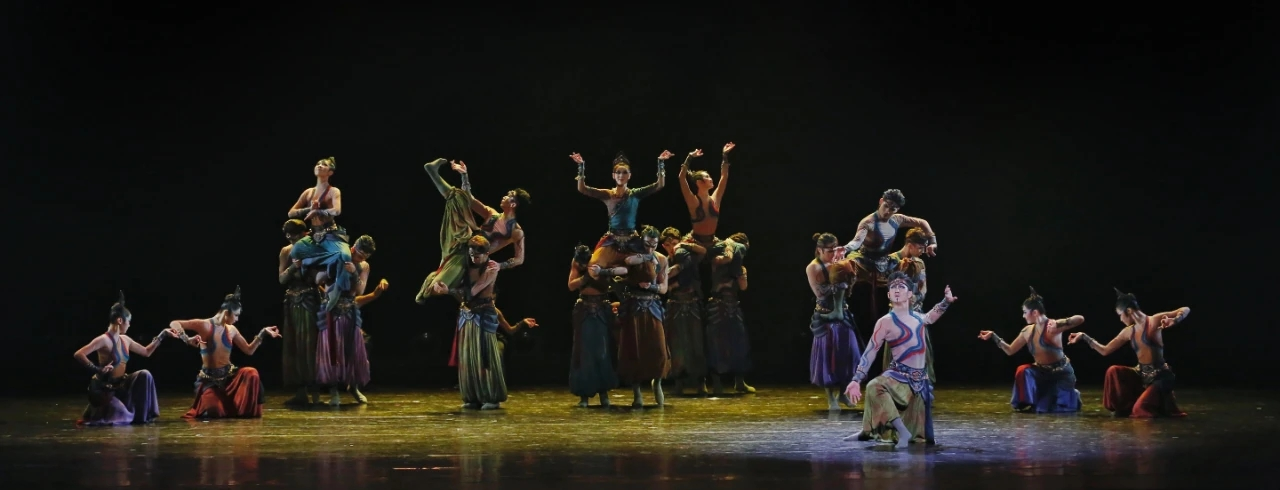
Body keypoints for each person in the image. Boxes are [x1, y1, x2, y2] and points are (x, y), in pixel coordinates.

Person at [844, 273, 957, 449]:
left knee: (919, 439)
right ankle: (895, 431)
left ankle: (869, 431)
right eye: (893, 287)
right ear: (888, 295)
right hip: (898, 376)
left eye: (901, 287)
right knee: (875, 386)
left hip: (919, 381)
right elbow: (871, 351)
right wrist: (856, 379)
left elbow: (932, 315)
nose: (897, 290)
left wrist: (946, 301)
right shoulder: (885, 322)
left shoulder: (919, 318)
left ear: (910, 294)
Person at [416, 159, 529, 304]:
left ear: (513, 204)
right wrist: (464, 175)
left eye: (509, 196)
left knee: (435, 287)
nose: (504, 196)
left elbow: (520, 259)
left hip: (470, 258)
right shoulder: (492, 213)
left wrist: (500, 265)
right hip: (463, 241)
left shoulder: (516, 231)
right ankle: (432, 171)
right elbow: (469, 199)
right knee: (457, 196)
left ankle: (434, 285)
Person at [1068, 288, 1190, 418]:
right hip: (1142, 375)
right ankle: (1128, 405)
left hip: (1160, 377)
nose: (1121, 319)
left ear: (1129, 311)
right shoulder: (1129, 331)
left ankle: (1153, 403)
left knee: (1140, 410)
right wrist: (1084, 337)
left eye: (1120, 315)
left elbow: (1185, 309)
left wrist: (1175, 320)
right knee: (1113, 371)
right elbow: (1105, 350)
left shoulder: (1153, 321)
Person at [169, 286, 281, 419]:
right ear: (227, 313)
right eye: (236, 315)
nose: (237, 319)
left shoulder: (232, 330)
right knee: (215, 412)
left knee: (251, 373)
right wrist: (186, 339)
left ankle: (241, 411)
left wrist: (263, 333)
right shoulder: (205, 325)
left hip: (229, 378)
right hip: (210, 380)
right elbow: (174, 323)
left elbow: (249, 350)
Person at [429, 236, 511, 409]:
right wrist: (443, 287)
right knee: (468, 357)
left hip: (483, 314)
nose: (475, 259)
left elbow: (473, 291)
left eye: (478, 256)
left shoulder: (491, 268)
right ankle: (472, 397)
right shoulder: (466, 266)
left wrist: (450, 291)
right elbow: (459, 290)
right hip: (466, 315)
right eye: (472, 255)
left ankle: (491, 397)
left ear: (486, 254)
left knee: (484, 356)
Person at [977, 287, 1085, 413]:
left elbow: (1080, 318)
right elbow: (1010, 350)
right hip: (1043, 374)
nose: (1023, 316)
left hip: (1060, 375)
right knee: (1023, 370)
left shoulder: (1052, 326)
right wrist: (993, 336)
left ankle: (1072, 395)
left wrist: (1061, 323)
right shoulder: (1027, 331)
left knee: (1044, 409)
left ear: (1034, 313)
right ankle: (1027, 400)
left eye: (1025, 312)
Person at [73, 291, 172, 426]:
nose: (129, 325)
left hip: (121, 385)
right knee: (122, 418)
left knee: (145, 374)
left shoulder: (125, 339)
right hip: (105, 389)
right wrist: (98, 369)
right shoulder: (103, 340)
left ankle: (142, 417)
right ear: (120, 320)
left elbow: (146, 352)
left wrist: (163, 335)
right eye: (128, 321)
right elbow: (79, 354)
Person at [570, 150, 670, 281]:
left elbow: (659, 185)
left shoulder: (635, 194)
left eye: (624, 172)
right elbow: (582, 189)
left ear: (629, 175)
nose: (621, 175)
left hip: (632, 239)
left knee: (650, 274)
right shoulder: (607, 195)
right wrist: (581, 166)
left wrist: (660, 163)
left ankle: (643, 261)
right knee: (593, 271)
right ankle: (612, 274)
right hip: (612, 238)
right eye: (618, 172)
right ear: (613, 175)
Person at [315, 235, 386, 405]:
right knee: (331, 349)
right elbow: (318, 280)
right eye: (359, 255)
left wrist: (354, 272)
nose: (360, 259)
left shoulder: (363, 266)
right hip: (331, 308)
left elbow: (360, 290)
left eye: (364, 257)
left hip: (349, 309)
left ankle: (353, 387)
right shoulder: (337, 255)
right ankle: (333, 391)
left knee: (353, 350)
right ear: (353, 248)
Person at [287, 157, 354, 314]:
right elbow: (291, 213)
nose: (319, 166)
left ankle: (337, 289)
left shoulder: (333, 191)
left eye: (324, 165)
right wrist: (308, 209)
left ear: (330, 172)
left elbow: (337, 210)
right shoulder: (309, 192)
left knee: (345, 255)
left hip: (330, 234)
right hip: (314, 236)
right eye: (318, 164)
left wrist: (320, 211)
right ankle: (318, 275)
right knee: (295, 251)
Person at [614, 225, 671, 407]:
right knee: (635, 348)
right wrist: (645, 257)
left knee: (658, 349)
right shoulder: (634, 256)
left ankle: (657, 383)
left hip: (652, 305)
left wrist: (652, 287)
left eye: (654, 245)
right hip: (634, 307)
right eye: (647, 244)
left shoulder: (661, 259)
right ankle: (637, 393)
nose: (650, 248)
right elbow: (627, 262)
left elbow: (664, 288)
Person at [806, 233, 861, 410]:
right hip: (825, 315)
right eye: (829, 251)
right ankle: (831, 398)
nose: (833, 253)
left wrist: (847, 272)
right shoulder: (813, 267)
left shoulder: (838, 261)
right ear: (819, 250)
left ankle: (843, 394)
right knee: (827, 357)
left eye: (834, 249)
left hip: (843, 313)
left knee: (849, 354)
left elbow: (849, 287)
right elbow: (820, 293)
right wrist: (838, 278)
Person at [567, 244, 619, 407]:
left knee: (602, 351)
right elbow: (571, 285)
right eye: (580, 264)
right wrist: (586, 277)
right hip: (584, 310)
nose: (582, 265)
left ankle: (604, 393)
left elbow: (616, 279)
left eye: (585, 263)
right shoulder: (576, 263)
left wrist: (601, 272)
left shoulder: (600, 261)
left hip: (601, 309)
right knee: (584, 351)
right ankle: (584, 395)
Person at [661, 227, 709, 396]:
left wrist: (683, 246)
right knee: (676, 345)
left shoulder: (688, 255)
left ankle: (701, 382)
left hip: (692, 303)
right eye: (667, 245)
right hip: (675, 305)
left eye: (674, 243)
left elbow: (703, 251)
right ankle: (678, 381)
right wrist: (668, 282)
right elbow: (663, 284)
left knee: (697, 343)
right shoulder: (665, 261)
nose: (671, 247)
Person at [881, 228, 934, 381]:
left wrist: (915, 300)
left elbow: (923, 287)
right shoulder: (892, 260)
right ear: (910, 245)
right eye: (920, 247)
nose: (922, 251)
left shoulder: (920, 262)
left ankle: (919, 388)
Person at [705, 233, 754, 394]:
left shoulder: (740, 268)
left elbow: (743, 287)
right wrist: (729, 248)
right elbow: (721, 261)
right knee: (716, 344)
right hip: (717, 305)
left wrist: (741, 275)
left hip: (733, 305)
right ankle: (717, 383)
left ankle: (739, 381)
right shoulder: (718, 260)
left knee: (739, 344)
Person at [279, 219, 320, 405]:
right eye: (289, 237)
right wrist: (294, 266)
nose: (292, 240)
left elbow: (320, 278)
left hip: (310, 299)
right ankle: (301, 390)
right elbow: (281, 279)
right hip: (293, 301)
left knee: (310, 343)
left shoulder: (313, 249)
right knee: (295, 343)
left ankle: (316, 390)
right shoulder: (286, 251)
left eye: (295, 237)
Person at [675, 143, 734, 249]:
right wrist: (689, 157)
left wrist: (725, 155)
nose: (711, 179)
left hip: (713, 241)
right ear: (699, 182)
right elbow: (681, 178)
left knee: (736, 248)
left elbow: (724, 176)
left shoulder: (715, 198)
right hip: (695, 242)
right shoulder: (693, 201)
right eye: (707, 177)